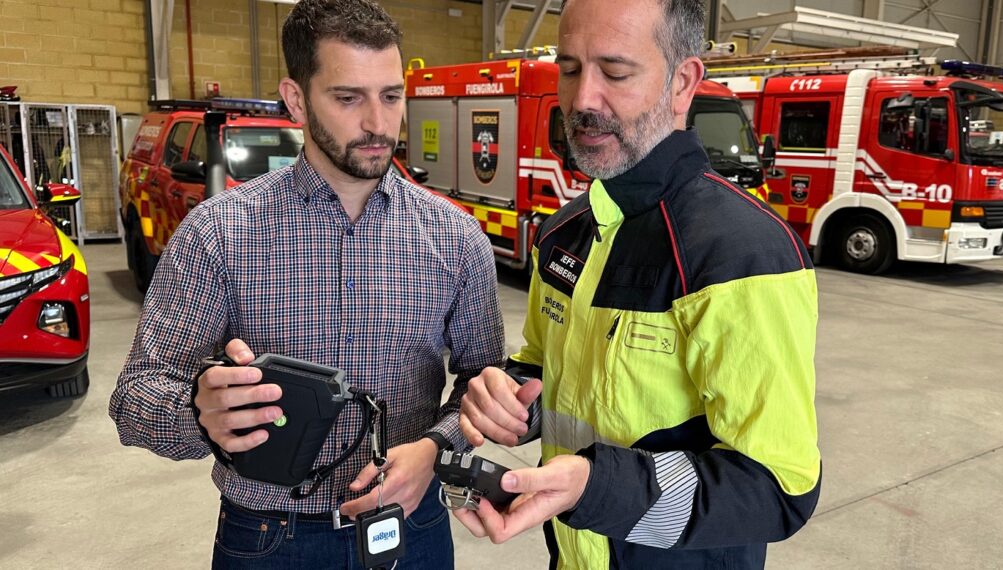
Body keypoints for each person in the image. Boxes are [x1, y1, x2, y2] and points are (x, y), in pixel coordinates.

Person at [108, 0, 504, 568]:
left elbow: (479, 386)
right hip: (270, 538)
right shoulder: (219, 233)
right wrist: (201, 414)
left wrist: (436, 448)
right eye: (348, 98)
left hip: (411, 528)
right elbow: (134, 399)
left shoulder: (458, 238)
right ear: (296, 99)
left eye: (391, 96)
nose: (377, 122)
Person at [452, 0, 821, 568]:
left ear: (683, 81)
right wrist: (513, 400)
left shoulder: (742, 253)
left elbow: (780, 486)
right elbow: (551, 373)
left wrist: (596, 488)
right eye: (570, 69)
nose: (581, 100)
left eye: (616, 72)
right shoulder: (564, 233)